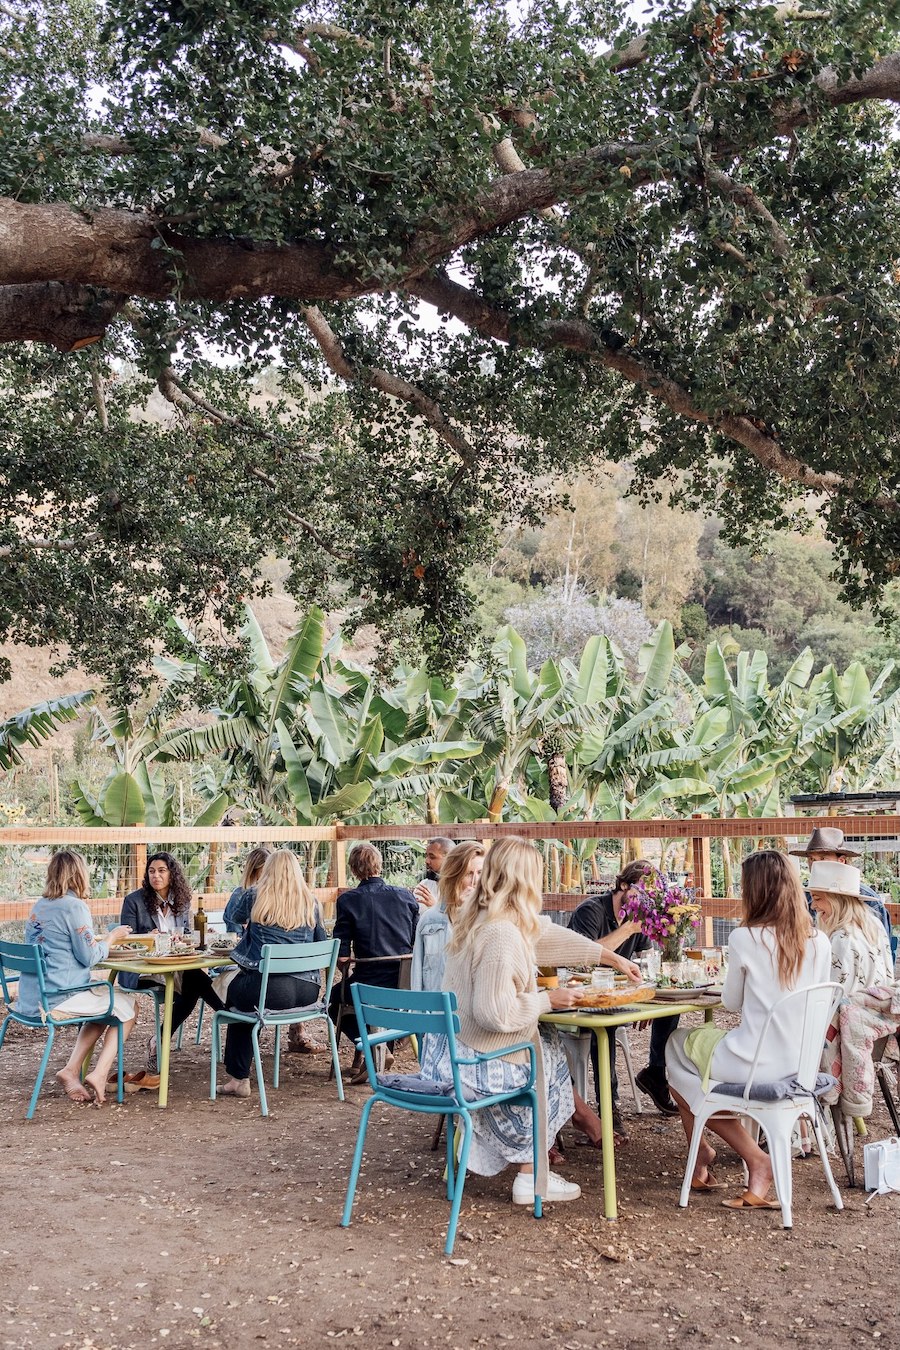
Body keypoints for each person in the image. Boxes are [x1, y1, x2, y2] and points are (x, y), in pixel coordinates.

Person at [438, 836, 642, 1207]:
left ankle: (536, 1162)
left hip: (451, 1050)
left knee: (547, 1045)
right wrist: (548, 999)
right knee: (547, 1055)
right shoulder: (501, 935)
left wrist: (608, 958)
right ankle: (531, 1176)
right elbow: (495, 1012)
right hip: (474, 1063)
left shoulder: (483, 916)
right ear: (525, 879)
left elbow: (547, 937)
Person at [665, 850, 831, 1209]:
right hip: (800, 1065)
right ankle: (711, 1161)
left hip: (752, 1063)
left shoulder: (746, 938)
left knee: (676, 1048)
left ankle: (744, 1158)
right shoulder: (820, 941)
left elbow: (731, 1002)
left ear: (755, 891)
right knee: (696, 1076)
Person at [17, 849, 136, 1105]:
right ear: (79, 875)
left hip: (30, 998)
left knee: (106, 1006)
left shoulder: (40, 905)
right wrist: (112, 938)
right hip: (58, 997)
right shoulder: (75, 907)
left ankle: (71, 1070)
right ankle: (100, 1073)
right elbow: (90, 957)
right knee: (129, 1008)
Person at [568, 861, 680, 1133]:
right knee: (603, 1024)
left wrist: (647, 1000)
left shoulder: (640, 915)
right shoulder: (591, 911)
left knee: (671, 1006)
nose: (645, 900)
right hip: (579, 996)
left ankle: (655, 1072)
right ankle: (609, 1106)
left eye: (650, 894)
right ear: (623, 885)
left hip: (618, 993)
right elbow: (582, 957)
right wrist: (628, 929)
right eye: (641, 892)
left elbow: (644, 961)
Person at [216, 849, 329, 1099]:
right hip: (308, 991)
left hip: (270, 989)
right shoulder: (312, 902)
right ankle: (238, 1076)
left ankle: (238, 1077)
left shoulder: (255, 896)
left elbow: (235, 917)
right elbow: (322, 942)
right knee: (244, 997)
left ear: (267, 870)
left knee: (235, 998)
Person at [119, 851, 224, 1068]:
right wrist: (150, 937)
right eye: (151, 871)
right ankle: (226, 1013)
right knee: (194, 980)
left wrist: (198, 934)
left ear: (171, 875)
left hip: (177, 964)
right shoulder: (134, 901)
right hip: (145, 967)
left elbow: (186, 933)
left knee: (193, 982)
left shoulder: (182, 900)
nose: (155, 876)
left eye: (161, 871)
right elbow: (126, 939)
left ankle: (159, 1039)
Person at [330, 842, 420, 1083]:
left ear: (353, 870)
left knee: (334, 1001)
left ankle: (375, 1048)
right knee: (378, 1001)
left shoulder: (348, 901)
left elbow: (341, 951)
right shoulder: (405, 896)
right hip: (404, 984)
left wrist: (345, 964)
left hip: (368, 983)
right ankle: (381, 1049)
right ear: (380, 865)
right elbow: (414, 940)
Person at [790, 826, 893, 950]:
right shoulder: (803, 896)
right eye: (811, 859)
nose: (815, 864)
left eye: (823, 858)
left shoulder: (868, 900)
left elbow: (883, 947)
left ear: (841, 861)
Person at [807, 859, 893, 998]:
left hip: (850, 1016)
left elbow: (832, 997)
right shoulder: (874, 924)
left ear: (837, 900)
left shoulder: (841, 939)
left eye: (817, 899)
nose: (813, 906)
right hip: (876, 1013)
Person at [410, 841, 485, 994]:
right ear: (454, 876)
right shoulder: (429, 920)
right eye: (469, 873)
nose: (475, 881)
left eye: (481, 873)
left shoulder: (491, 918)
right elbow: (417, 977)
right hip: (435, 1011)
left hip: (473, 1012)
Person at [223, 846, 270, 934]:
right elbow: (234, 934)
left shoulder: (274, 895)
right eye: (264, 872)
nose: (268, 876)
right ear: (253, 871)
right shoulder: (239, 895)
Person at [413, 836, 455, 911]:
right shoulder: (424, 885)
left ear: (449, 858)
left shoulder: (462, 887)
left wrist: (435, 907)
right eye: (426, 856)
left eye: (432, 857)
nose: (427, 861)